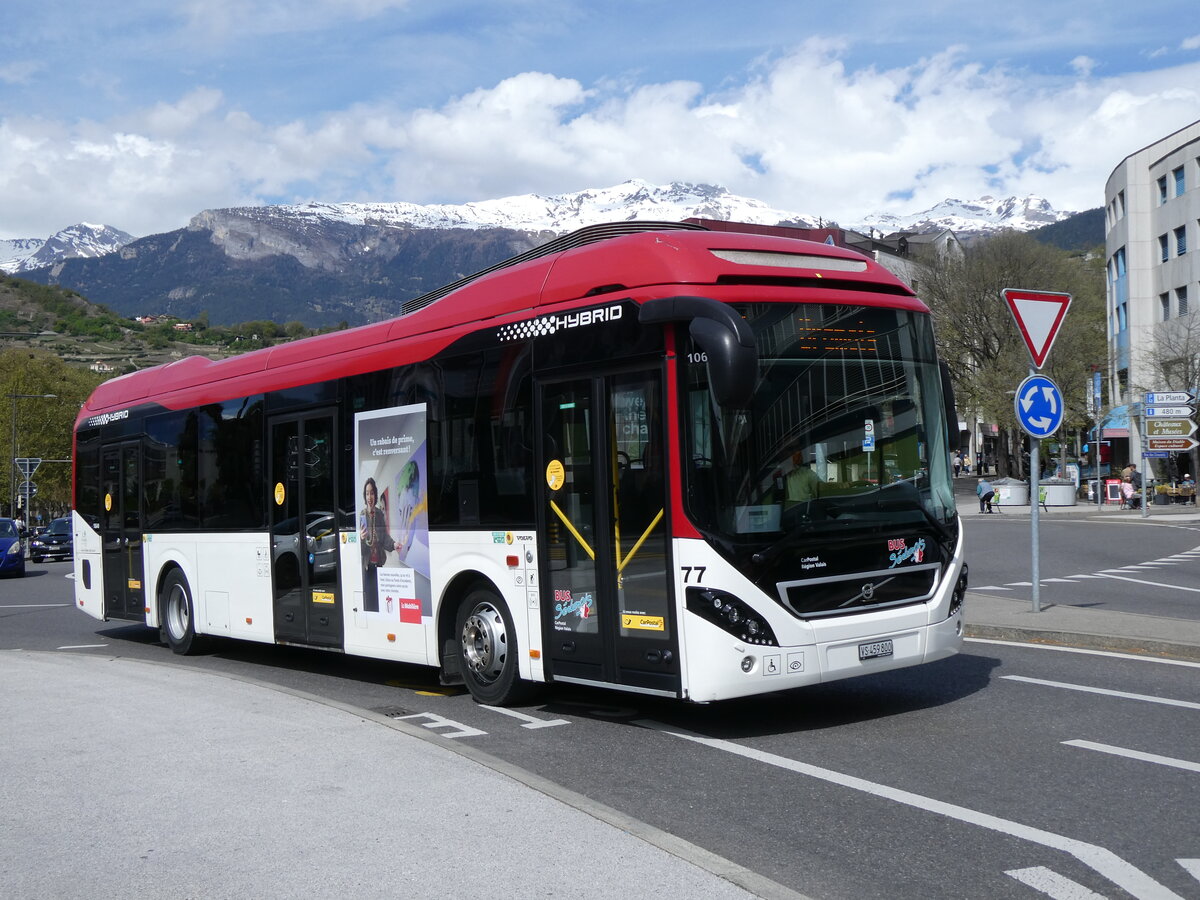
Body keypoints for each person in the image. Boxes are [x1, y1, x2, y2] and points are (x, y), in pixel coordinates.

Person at [358, 476, 395, 612]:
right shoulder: (362, 515)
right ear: (365, 496)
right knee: (370, 603)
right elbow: (361, 551)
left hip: (379, 564)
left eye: (372, 493)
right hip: (368, 566)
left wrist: (394, 545)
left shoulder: (379, 514)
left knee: (381, 601)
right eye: (367, 493)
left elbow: (384, 537)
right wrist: (361, 539)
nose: (370, 497)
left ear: (375, 494)